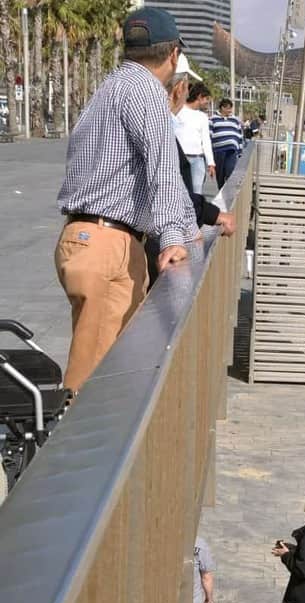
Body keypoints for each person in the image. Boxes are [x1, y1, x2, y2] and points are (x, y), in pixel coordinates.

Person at [55, 6, 196, 392]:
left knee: (112, 372)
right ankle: (71, 449)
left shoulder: (112, 86)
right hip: (107, 242)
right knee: (94, 384)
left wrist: (187, 227)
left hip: (91, 237)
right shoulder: (146, 91)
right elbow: (163, 166)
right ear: (173, 55)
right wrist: (174, 237)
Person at [146, 53, 236, 286]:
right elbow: (170, 190)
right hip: (130, 246)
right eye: (187, 89)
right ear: (179, 88)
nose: (187, 94)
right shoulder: (157, 128)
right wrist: (210, 216)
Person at [175, 82, 215, 195]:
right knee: (179, 192)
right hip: (179, 158)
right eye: (206, 99)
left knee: (197, 193)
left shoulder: (203, 117)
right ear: (199, 97)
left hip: (198, 160)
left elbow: (206, 141)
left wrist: (210, 163)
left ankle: (195, 213)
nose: (208, 102)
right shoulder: (178, 111)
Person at [210, 98, 243, 188]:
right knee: (220, 176)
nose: (229, 110)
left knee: (230, 173)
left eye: (230, 108)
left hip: (232, 150)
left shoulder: (235, 120)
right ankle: (221, 192)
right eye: (227, 108)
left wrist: (240, 152)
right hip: (218, 151)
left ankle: (229, 194)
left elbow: (239, 135)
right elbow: (209, 135)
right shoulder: (213, 119)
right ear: (222, 108)